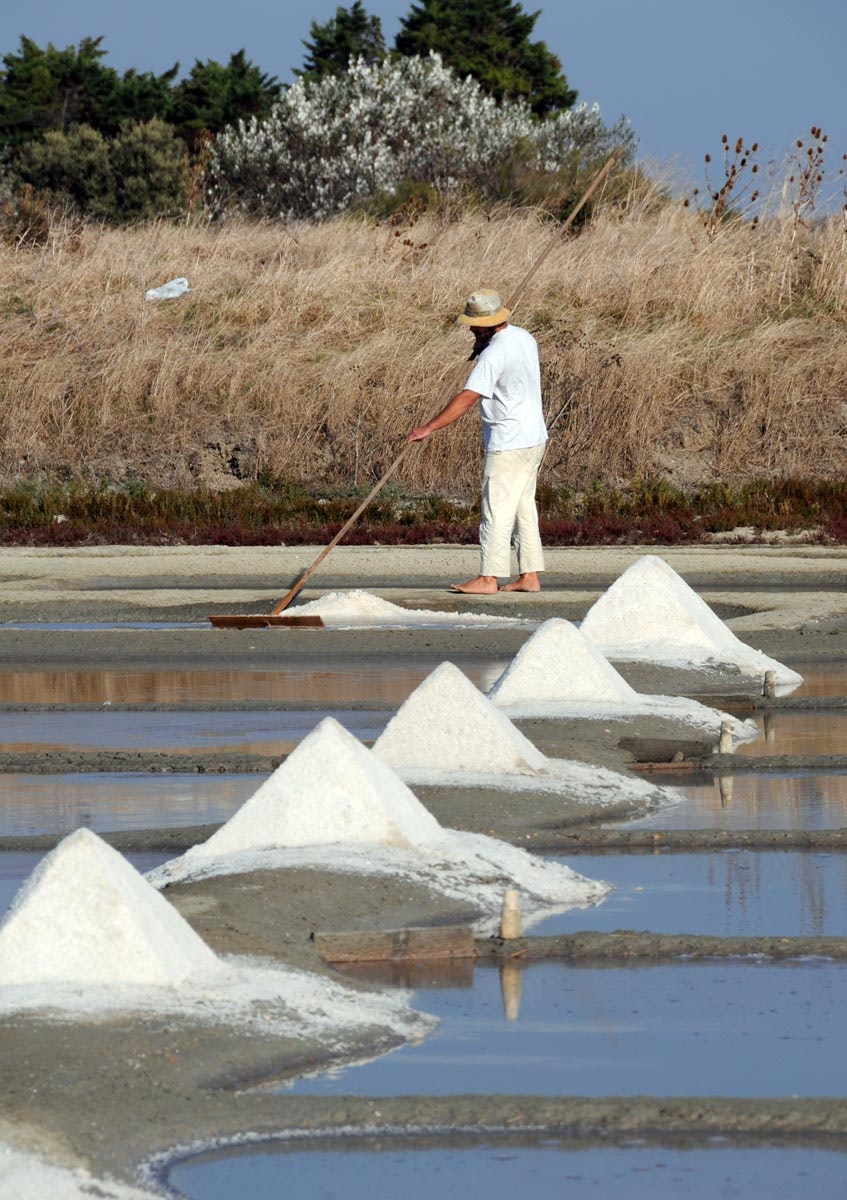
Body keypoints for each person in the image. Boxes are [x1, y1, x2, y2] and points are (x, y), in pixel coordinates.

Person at [408, 288, 547, 594]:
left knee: (496, 508)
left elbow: (468, 397)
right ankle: (529, 576)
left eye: (474, 324)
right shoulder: (524, 337)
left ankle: (488, 579)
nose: (470, 328)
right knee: (524, 506)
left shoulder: (494, 354)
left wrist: (430, 428)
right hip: (534, 437)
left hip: (509, 441)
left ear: (486, 324)